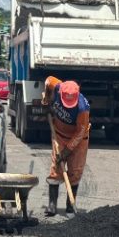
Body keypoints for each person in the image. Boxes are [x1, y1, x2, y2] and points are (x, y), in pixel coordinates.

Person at [41, 75, 90, 216]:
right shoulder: (56, 86)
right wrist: (47, 101)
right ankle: (52, 205)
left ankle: (70, 205)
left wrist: (67, 151)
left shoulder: (83, 107)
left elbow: (80, 132)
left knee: (75, 171)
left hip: (79, 139)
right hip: (59, 135)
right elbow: (47, 81)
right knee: (55, 168)